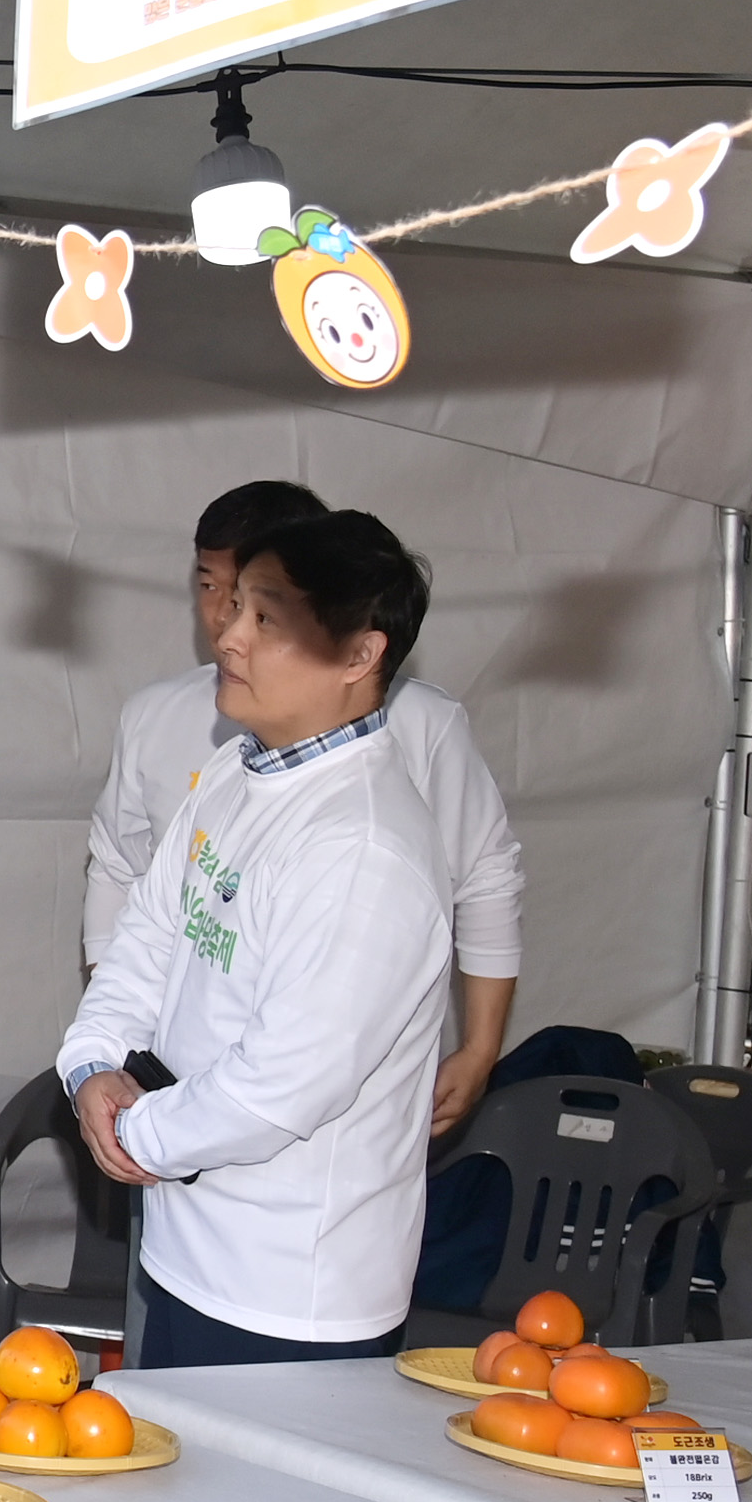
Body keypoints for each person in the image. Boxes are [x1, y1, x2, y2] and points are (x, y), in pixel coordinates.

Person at [57, 508, 456, 1367]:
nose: (229, 639)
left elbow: (284, 1084)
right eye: (233, 607)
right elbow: (148, 940)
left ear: (360, 654)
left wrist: (137, 1135)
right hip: (180, 1243)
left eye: (267, 619)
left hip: (290, 1294)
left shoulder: (367, 847)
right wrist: (93, 1065)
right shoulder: (239, 773)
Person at [85, 480, 524, 1135]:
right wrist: (106, 1048)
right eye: (211, 589)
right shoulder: (197, 744)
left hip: (305, 1118)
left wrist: (482, 1048)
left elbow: (485, 875)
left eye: (259, 607)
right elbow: (126, 881)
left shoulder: (414, 746)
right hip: (173, 1083)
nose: (226, 625)